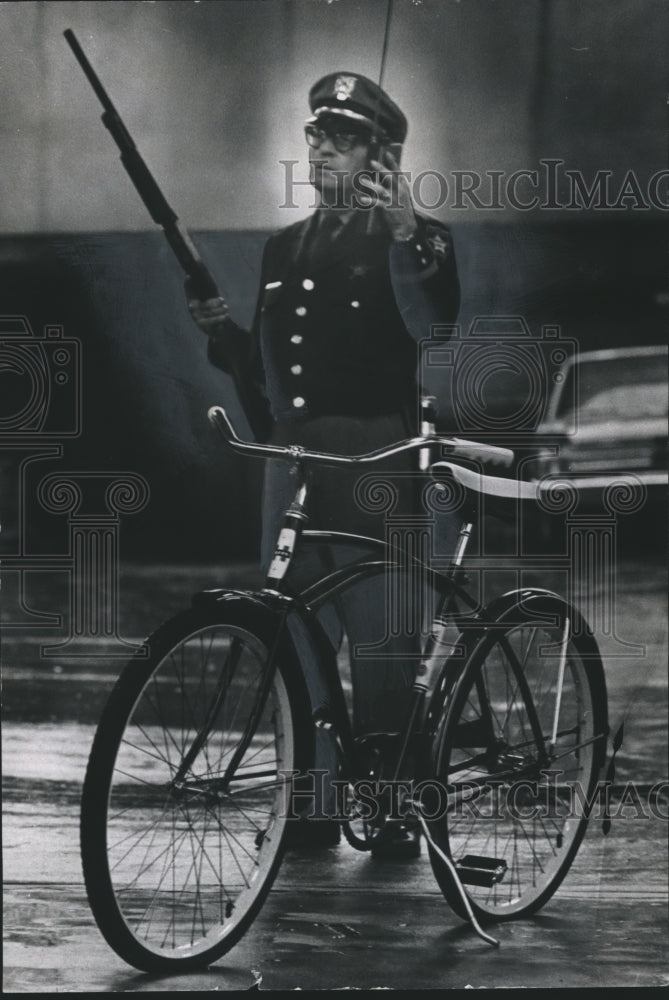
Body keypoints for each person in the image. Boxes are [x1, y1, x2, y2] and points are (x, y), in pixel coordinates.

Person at [187, 72, 460, 858]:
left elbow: (431, 326)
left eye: (342, 138)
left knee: (382, 646)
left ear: (384, 153)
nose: (321, 148)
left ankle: (394, 812)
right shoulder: (284, 247)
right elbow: (275, 384)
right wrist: (223, 338)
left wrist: (406, 231)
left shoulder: (419, 239)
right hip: (293, 461)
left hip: (375, 460)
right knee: (294, 641)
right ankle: (308, 807)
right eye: (315, 134)